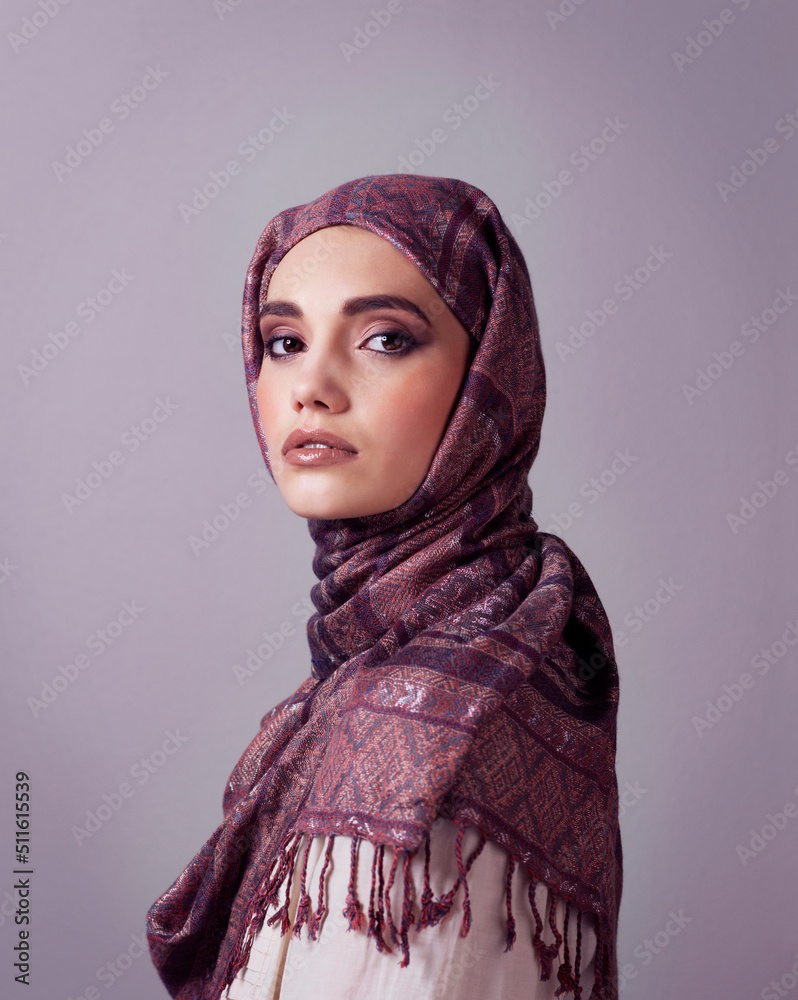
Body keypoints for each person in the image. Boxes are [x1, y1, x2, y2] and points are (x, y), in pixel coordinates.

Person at [146, 174, 623, 1000]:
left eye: (384, 339)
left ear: (488, 371)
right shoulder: (459, 647)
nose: (312, 387)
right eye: (285, 342)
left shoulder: (432, 724)